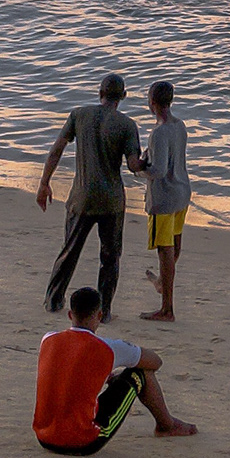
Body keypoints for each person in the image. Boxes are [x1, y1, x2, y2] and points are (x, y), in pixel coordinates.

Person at [33, 284, 196, 452]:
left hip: (44, 437)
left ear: (70, 315)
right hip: (82, 441)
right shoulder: (108, 347)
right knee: (140, 373)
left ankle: (166, 424)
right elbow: (155, 362)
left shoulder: (48, 339)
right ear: (99, 315)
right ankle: (166, 425)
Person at [38, 74, 142, 318]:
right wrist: (151, 162)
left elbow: (56, 150)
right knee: (110, 257)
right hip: (111, 201)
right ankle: (103, 311)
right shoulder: (126, 125)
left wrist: (44, 183)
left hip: (81, 197)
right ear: (123, 97)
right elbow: (134, 165)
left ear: (100, 93)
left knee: (69, 252)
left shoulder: (79, 115)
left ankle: (53, 300)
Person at [139, 81, 191, 323]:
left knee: (164, 249)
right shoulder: (180, 126)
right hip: (182, 191)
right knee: (175, 242)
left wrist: (138, 169)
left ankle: (167, 308)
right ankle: (163, 282)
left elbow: (158, 170)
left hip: (164, 197)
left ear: (152, 102)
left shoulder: (158, 132)